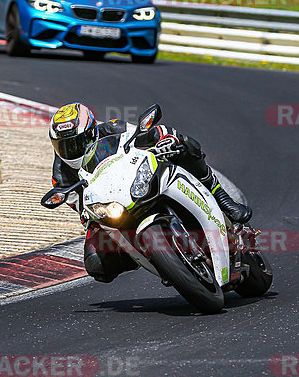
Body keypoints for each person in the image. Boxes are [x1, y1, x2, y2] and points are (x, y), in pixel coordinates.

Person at [48, 102, 252, 282]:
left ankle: (222, 199)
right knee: (96, 263)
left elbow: (144, 134)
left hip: (137, 180)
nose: (70, 150)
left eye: (75, 142)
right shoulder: (61, 174)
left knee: (185, 145)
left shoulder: (113, 128)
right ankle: (149, 256)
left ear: (92, 132)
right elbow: (80, 207)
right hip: (114, 207)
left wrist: (165, 138)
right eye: (63, 146)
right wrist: (92, 216)